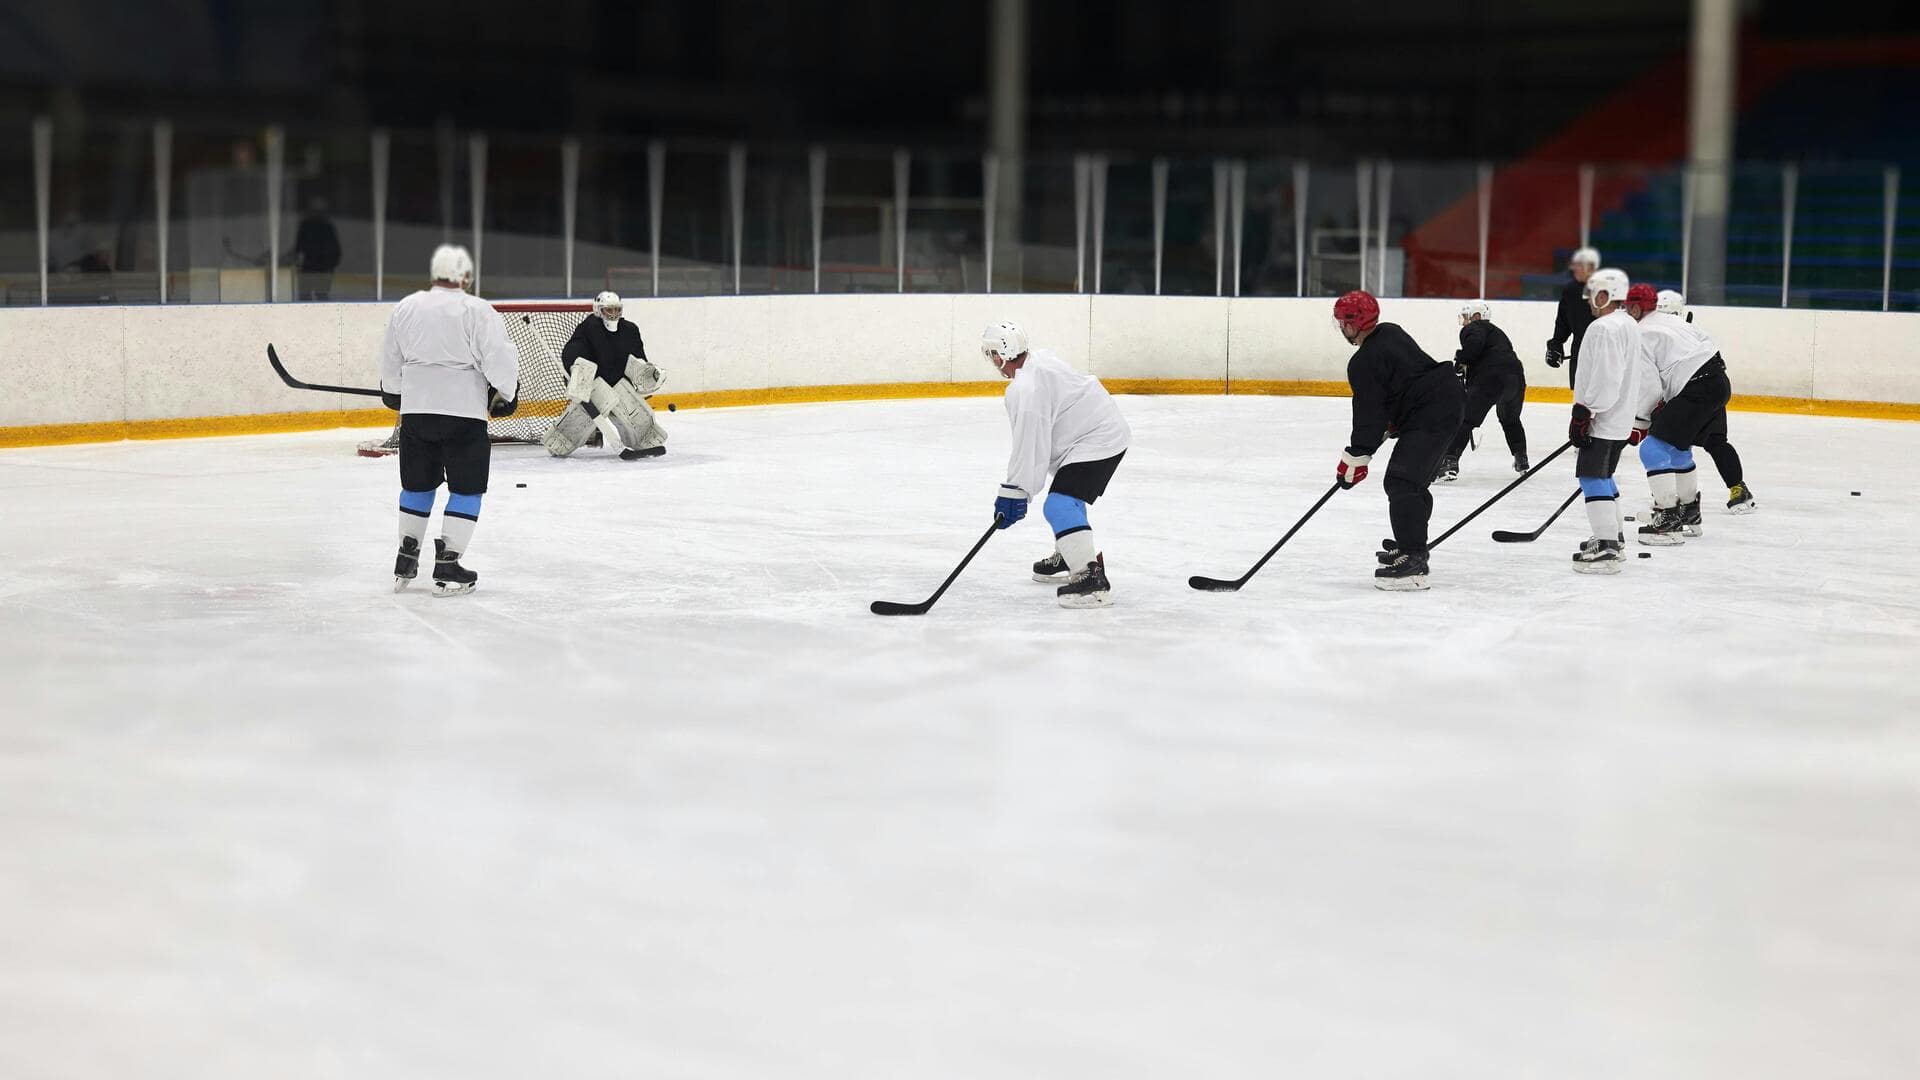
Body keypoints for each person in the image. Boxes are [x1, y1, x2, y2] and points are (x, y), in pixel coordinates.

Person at [377, 244, 520, 595]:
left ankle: (405, 557)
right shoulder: (477, 310)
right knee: (467, 488)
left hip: (417, 413)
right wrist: (508, 392)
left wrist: (392, 389)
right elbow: (499, 357)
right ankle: (448, 564)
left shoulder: (407, 306)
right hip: (463, 415)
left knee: (417, 484)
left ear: (433, 274)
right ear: (466, 277)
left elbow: (389, 355)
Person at [984, 321, 1131, 608]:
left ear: (1001, 355)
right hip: (1098, 431)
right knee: (1068, 495)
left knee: (1059, 505)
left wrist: (1016, 490)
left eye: (991, 355)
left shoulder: (1025, 390)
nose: (992, 362)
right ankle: (1069, 551)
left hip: (1099, 441)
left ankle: (1090, 579)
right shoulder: (1040, 360)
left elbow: (1030, 445)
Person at [1332, 291, 1465, 591]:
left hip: (1432, 412)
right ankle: (1409, 542)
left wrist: (1357, 455)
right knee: (1410, 481)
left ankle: (1414, 559)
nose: (1341, 328)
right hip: (1446, 401)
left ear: (1356, 323)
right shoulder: (1390, 331)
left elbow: (1369, 415)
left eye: (1344, 322)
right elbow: (1403, 382)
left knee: (1402, 482)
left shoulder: (1363, 362)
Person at [1623, 284, 1735, 545]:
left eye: (1628, 307)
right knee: (1677, 449)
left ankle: (1668, 520)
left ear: (1637, 307)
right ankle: (1689, 512)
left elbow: (1649, 387)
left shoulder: (1639, 333)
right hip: (1718, 381)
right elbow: (1707, 344)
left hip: (1696, 387)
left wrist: (1640, 422)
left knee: (1651, 449)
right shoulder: (1674, 322)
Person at [1566, 267, 1641, 574]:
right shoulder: (1628, 325)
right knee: (1604, 475)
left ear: (1605, 294)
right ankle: (1615, 536)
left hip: (1603, 417)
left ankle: (1607, 546)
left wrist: (1585, 412)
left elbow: (1605, 376)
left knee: (1591, 476)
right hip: (1620, 418)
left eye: (1593, 294)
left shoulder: (1603, 328)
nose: (1589, 301)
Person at [1657, 289, 1755, 513]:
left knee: (1673, 442)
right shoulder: (1691, 331)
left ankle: (1677, 498)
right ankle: (1736, 489)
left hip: (1696, 393)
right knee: (1712, 442)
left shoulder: (1680, 333)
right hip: (1712, 390)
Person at [543, 291, 668, 460]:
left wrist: (648, 374)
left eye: (617, 310)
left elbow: (639, 360)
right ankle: (561, 440)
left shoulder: (630, 330)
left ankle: (643, 438)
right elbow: (571, 352)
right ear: (598, 310)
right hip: (594, 386)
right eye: (609, 310)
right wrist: (577, 371)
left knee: (639, 418)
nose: (614, 314)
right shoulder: (589, 328)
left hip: (620, 385)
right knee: (579, 420)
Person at [1436, 299, 1528, 481]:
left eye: (1466, 317)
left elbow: (1474, 346)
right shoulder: (1498, 333)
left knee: (1465, 420)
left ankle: (1449, 463)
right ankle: (1521, 460)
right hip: (1515, 378)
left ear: (1477, 316)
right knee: (1510, 420)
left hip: (1491, 379)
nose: (1464, 322)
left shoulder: (1475, 327)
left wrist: (1461, 359)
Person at [1545, 247, 1600, 387]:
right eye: (1574, 265)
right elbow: (1563, 320)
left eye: (1579, 265)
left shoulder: (1606, 288)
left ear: (1592, 267)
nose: (1574, 269)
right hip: (1579, 354)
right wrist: (1557, 343)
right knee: (1579, 402)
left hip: (1603, 355)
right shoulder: (1571, 290)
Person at [290, 197, 342, 301]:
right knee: (317, 294)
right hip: (317, 267)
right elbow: (335, 249)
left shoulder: (318, 225)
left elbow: (299, 246)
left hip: (315, 267)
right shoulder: (325, 226)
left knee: (311, 295)